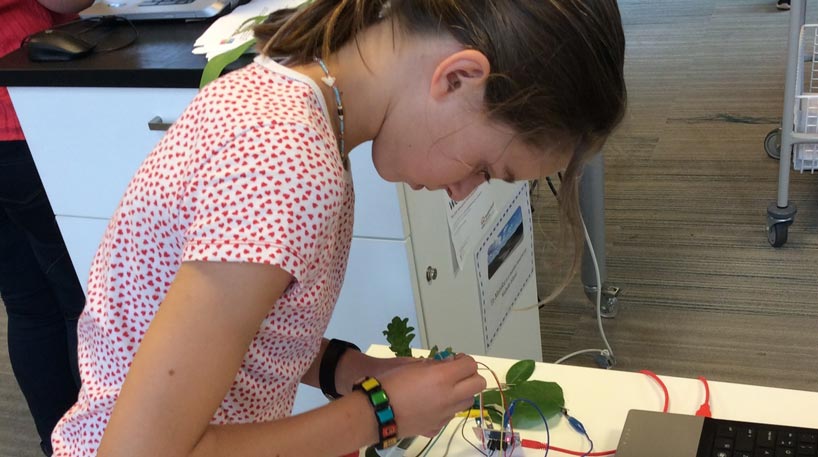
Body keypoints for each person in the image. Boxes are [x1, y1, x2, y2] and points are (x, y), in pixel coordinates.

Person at [51, 1, 628, 456]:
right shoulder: (288, 168)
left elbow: (230, 338)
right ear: (457, 79)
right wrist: (380, 416)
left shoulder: (283, 93)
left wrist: (348, 370)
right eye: (484, 168)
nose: (462, 191)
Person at [0, 0, 93, 455]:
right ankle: (98, 441)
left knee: (27, 304)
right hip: (18, 119)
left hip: (15, 125)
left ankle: (59, 445)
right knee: (84, 300)